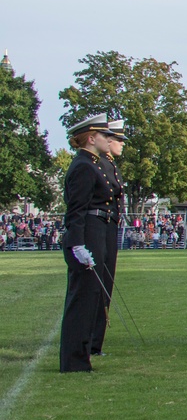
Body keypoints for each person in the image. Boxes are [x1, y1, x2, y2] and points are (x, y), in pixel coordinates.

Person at [59, 114, 118, 372]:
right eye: (105, 135)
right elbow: (77, 211)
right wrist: (77, 244)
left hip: (96, 231)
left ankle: (81, 356)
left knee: (91, 296)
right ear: (91, 138)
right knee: (82, 298)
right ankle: (74, 360)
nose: (109, 139)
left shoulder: (91, 164)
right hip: (88, 234)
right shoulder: (84, 166)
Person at [90, 118, 126, 357]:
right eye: (118, 140)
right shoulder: (99, 164)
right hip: (100, 227)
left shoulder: (109, 165)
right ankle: (92, 340)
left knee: (105, 285)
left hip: (109, 227)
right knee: (98, 285)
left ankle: (95, 340)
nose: (122, 144)